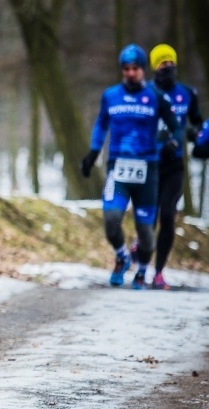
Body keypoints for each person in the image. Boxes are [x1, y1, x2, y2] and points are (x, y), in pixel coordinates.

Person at [81, 43, 183, 290]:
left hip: (148, 170)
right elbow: (101, 125)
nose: (130, 73)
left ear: (143, 70)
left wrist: (173, 142)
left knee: (146, 230)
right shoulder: (111, 95)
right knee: (111, 218)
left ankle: (143, 271)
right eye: (125, 68)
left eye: (135, 68)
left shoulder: (156, 97)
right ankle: (121, 256)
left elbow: (176, 125)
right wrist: (93, 153)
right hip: (118, 167)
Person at [129, 44, 203, 290]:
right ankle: (140, 249)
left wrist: (196, 137)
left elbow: (198, 126)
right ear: (154, 67)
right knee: (148, 219)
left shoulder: (187, 93)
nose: (168, 67)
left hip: (175, 166)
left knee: (168, 216)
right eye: (162, 63)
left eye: (171, 62)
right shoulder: (144, 93)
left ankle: (158, 273)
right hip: (149, 165)